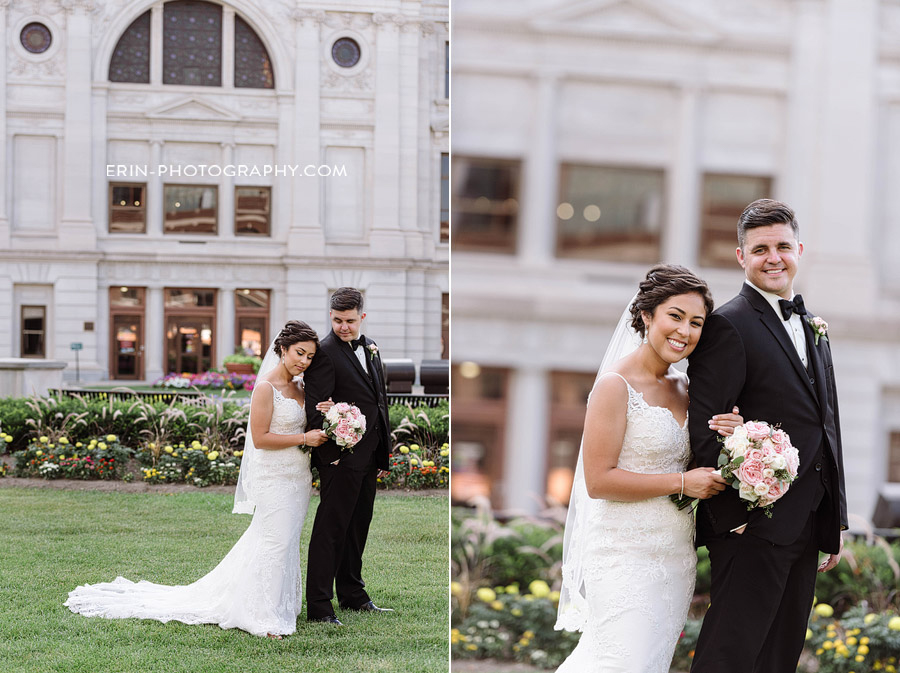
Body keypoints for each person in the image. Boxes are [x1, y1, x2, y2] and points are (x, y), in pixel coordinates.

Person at [65, 321, 332, 639]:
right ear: (283, 350)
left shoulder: (303, 388)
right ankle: (262, 616)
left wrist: (326, 413)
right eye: (299, 353)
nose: (303, 361)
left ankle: (277, 604)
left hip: (297, 477)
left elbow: (308, 424)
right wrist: (304, 437)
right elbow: (259, 439)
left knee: (284, 542)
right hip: (274, 477)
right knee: (274, 542)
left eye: (310, 357)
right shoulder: (266, 387)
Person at [555, 264, 742, 673]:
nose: (685, 331)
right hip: (623, 553)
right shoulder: (613, 385)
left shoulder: (686, 389)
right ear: (646, 316)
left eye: (696, 323)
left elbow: (696, 463)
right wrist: (681, 482)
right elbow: (599, 481)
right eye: (675, 316)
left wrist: (733, 435)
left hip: (675, 554)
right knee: (619, 661)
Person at [687, 199, 848, 673]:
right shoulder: (727, 325)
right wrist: (733, 516)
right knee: (730, 655)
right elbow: (706, 427)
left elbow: (828, 425)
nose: (773, 257)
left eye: (782, 246)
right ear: (741, 257)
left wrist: (834, 519)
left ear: (799, 250)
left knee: (778, 657)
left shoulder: (813, 325)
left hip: (807, 520)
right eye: (760, 249)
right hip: (753, 525)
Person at [303, 287, 392, 625]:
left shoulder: (370, 347)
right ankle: (320, 607)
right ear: (330, 316)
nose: (344, 327)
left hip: (369, 456)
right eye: (338, 320)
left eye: (350, 321)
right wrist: (332, 455)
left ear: (362, 317)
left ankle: (353, 595)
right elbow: (315, 408)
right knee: (331, 530)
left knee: (358, 527)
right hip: (340, 458)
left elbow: (379, 400)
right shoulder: (324, 353)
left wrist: (383, 452)